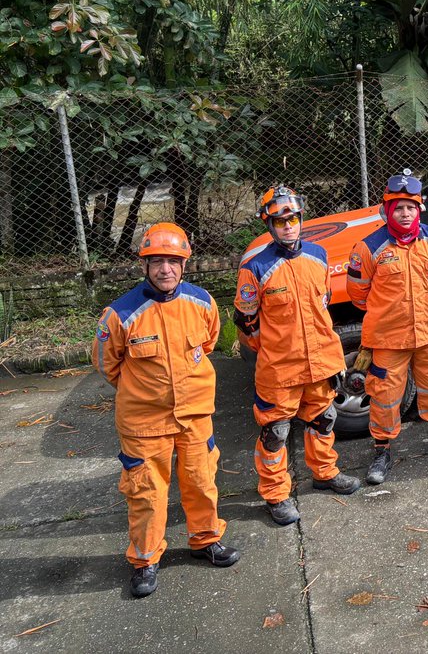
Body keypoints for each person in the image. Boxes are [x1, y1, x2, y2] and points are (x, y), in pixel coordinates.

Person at [93, 223, 239, 598]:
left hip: (194, 414)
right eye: (156, 261)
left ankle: (206, 539)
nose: (165, 270)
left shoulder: (202, 302)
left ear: (184, 264)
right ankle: (144, 560)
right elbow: (108, 366)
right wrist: (145, 392)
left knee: (201, 481)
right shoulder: (120, 314)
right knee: (146, 494)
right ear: (144, 265)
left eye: (173, 261)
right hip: (143, 422)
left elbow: (206, 345)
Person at [235, 186, 360, 526]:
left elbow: (323, 305)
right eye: (280, 221)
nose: (288, 226)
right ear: (269, 224)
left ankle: (325, 472)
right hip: (279, 368)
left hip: (320, 359)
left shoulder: (319, 256)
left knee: (323, 421)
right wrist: (275, 353)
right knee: (275, 432)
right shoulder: (256, 267)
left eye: (293, 219)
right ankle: (276, 495)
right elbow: (246, 321)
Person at [348, 172, 428, 486]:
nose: (405, 214)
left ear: (420, 209)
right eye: (399, 208)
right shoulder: (368, 248)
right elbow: (358, 294)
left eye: (411, 208)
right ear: (387, 210)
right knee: (385, 396)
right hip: (388, 337)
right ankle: (382, 451)